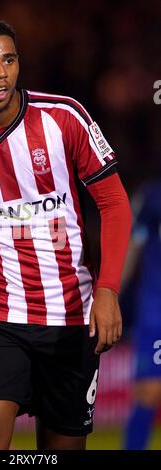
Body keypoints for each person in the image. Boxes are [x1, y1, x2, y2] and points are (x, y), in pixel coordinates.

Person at [0, 17, 132, 450]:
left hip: (71, 313)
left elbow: (114, 203)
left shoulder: (63, 117)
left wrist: (109, 289)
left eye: (9, 59)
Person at [122, 180, 161, 450]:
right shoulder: (151, 196)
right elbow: (131, 248)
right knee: (149, 391)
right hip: (155, 310)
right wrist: (110, 293)